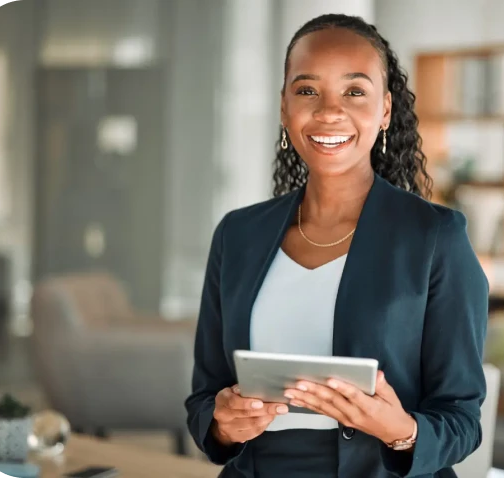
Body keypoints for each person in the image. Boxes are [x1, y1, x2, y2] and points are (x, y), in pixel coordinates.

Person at [185, 13, 488, 478]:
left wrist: (400, 430)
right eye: (307, 91)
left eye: (354, 91)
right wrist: (224, 425)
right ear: (284, 108)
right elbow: (205, 396)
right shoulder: (237, 235)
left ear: (385, 110)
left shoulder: (435, 237)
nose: (329, 112)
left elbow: (462, 419)